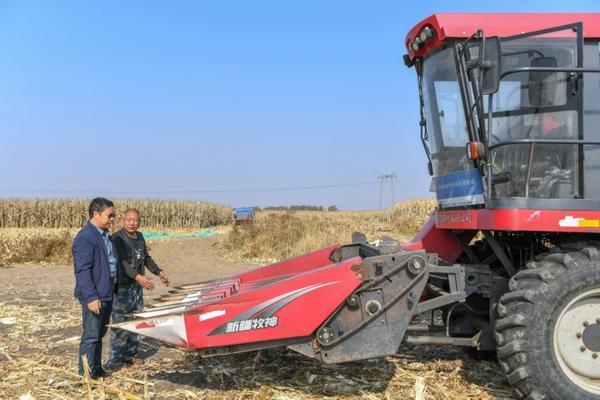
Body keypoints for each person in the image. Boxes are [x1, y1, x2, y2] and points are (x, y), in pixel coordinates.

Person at [106, 208, 169, 368]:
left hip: (136, 289)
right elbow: (123, 263)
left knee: (135, 321)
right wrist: (138, 277)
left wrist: (158, 271)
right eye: (129, 220)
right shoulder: (117, 239)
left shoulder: (140, 237)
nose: (132, 223)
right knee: (120, 324)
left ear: (139, 221)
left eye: (135, 220)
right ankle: (115, 360)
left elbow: (146, 258)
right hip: (122, 289)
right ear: (123, 220)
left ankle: (130, 355)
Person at [73, 197, 117, 379]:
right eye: (110, 215)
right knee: (91, 335)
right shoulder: (86, 237)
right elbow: (82, 271)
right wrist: (91, 297)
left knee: (99, 333)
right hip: (95, 295)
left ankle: (96, 368)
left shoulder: (104, 235)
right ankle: (86, 374)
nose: (112, 219)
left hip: (106, 293)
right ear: (96, 214)